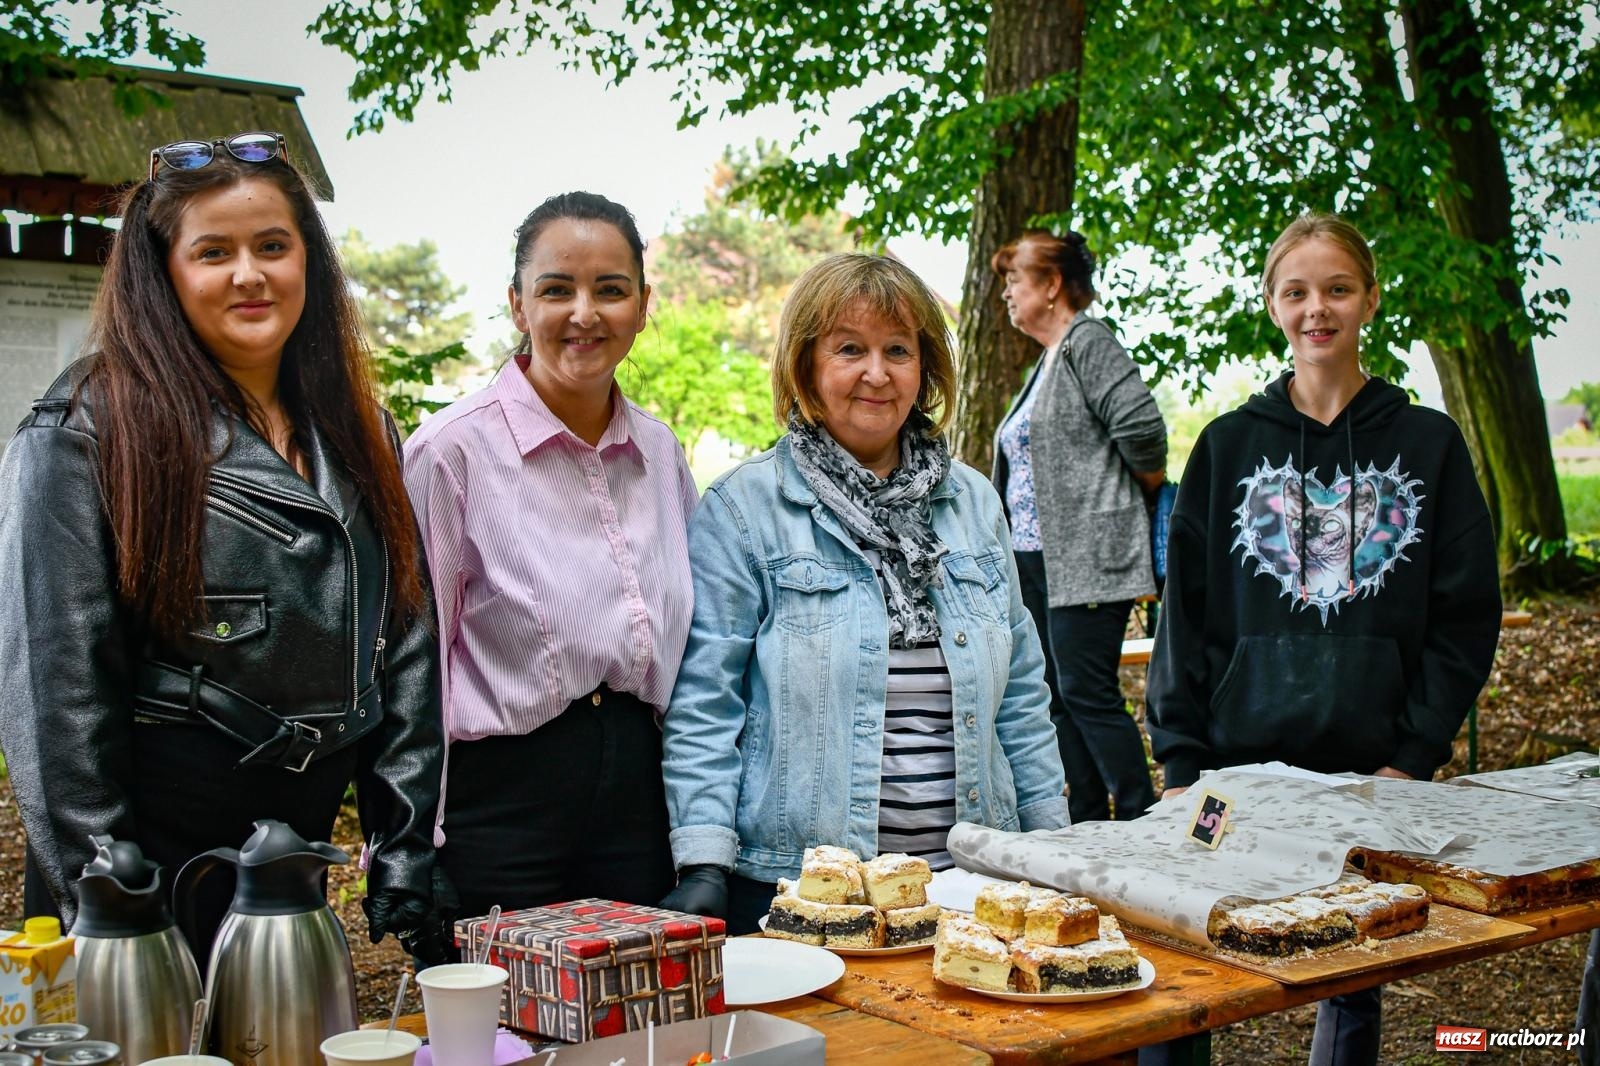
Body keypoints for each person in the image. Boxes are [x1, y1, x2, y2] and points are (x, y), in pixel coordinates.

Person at [0, 131, 446, 961]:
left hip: (291, 872)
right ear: (164, 271)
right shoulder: (84, 430)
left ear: (307, 260)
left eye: (273, 246)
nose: (250, 274)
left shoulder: (360, 427)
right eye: (214, 252)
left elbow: (406, 641)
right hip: (145, 877)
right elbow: (57, 693)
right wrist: (108, 894)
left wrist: (406, 842)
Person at [1144, 213, 1501, 1065]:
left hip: (1368, 776)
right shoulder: (1227, 446)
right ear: (1273, 305)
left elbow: (1465, 614)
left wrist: (1412, 755)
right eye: (1297, 292)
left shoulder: (1429, 443)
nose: (1318, 309)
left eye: (1338, 289)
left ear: (1370, 299)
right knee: (1181, 946)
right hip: (1227, 777)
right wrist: (1181, 764)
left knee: (1351, 967)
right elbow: (1183, 615)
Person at [659, 253, 1069, 932]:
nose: (876, 373)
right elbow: (706, 702)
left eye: (897, 350)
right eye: (850, 349)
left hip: (971, 888)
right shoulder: (744, 509)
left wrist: (1051, 845)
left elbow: (1021, 693)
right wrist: (704, 861)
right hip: (805, 891)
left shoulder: (974, 504)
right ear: (806, 367)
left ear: (924, 369)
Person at [403, 192, 698, 935]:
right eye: (557, 289)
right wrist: (409, 841)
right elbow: (413, 665)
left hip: (640, 808)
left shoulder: (660, 454)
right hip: (500, 814)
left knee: (641, 1008)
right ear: (517, 304)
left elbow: (694, 645)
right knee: (504, 1008)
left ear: (643, 305)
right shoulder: (450, 453)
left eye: (610, 289)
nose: (584, 313)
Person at [991, 229, 1167, 823]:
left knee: (1086, 692)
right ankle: (1087, 820)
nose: (1007, 294)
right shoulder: (1048, 359)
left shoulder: (1088, 342)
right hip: (1035, 561)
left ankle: (1141, 819)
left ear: (1052, 284)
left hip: (1086, 558)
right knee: (1056, 697)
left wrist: (1122, 505)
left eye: (1015, 280)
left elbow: (1143, 434)